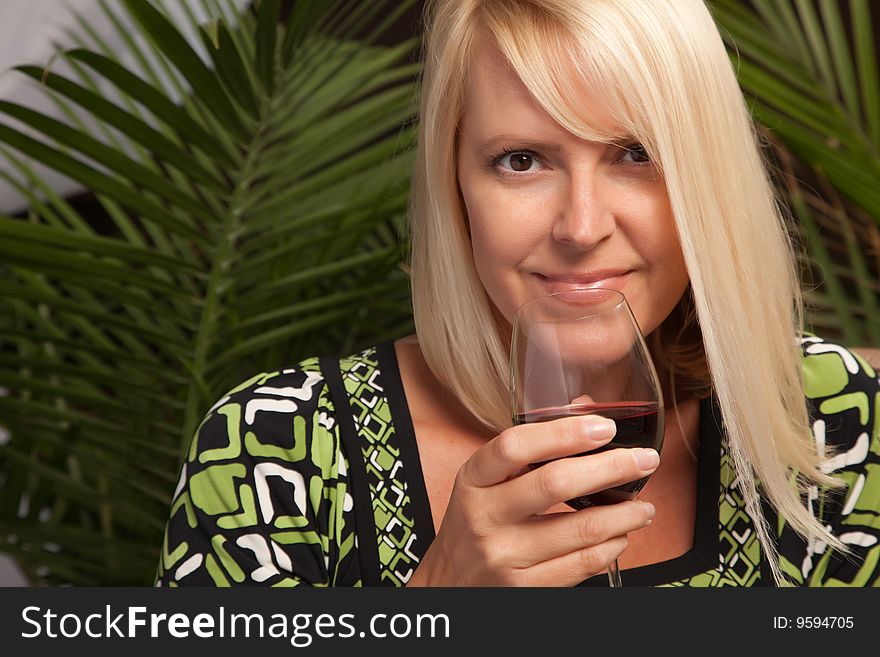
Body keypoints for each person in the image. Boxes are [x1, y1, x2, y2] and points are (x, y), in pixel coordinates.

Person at [155, 0, 880, 587]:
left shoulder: (837, 420)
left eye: (636, 153)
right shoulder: (271, 451)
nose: (583, 226)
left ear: (706, 175)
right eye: (522, 160)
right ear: (454, 184)